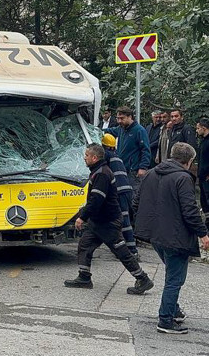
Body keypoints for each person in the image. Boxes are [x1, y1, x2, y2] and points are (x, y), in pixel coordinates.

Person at [135, 142, 209, 335]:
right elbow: (190, 210)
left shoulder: (151, 173)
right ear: (189, 160)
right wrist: (202, 233)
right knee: (175, 279)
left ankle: (173, 309)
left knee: (172, 273)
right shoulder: (183, 178)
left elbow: (136, 201)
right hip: (175, 236)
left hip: (154, 234)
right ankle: (166, 319)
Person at [64, 144, 154, 296]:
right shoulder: (98, 171)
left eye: (87, 155)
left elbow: (96, 199)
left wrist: (82, 217)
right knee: (85, 245)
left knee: (121, 251)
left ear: (95, 158)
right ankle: (84, 277)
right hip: (98, 221)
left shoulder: (102, 174)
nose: (84, 158)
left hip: (108, 222)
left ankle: (142, 278)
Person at [101, 106, 151, 209]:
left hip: (134, 170)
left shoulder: (139, 130)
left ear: (130, 117)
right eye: (118, 118)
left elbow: (146, 150)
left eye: (122, 118)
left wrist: (143, 167)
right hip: (123, 169)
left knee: (133, 196)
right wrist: (94, 130)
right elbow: (109, 131)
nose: (119, 121)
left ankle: (134, 221)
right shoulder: (121, 129)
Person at [101, 134, 138, 256]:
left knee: (124, 220)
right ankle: (122, 246)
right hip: (126, 190)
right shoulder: (117, 157)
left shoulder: (106, 155)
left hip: (119, 191)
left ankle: (132, 251)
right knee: (123, 219)